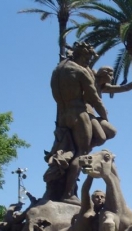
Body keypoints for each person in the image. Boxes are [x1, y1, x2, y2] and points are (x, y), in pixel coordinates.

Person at [49, 42, 109, 204]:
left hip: (63, 116)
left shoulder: (57, 70)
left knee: (76, 150)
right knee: (81, 153)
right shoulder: (80, 71)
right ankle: (68, 194)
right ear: (81, 55)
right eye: (88, 58)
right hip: (78, 114)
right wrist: (104, 115)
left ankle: (70, 175)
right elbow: (94, 99)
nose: (88, 62)